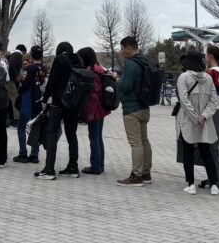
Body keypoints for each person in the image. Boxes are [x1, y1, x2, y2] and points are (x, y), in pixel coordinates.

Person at [175, 50, 219, 196]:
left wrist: (195, 118)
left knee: (188, 152)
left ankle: (191, 184)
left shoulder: (183, 77)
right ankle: (214, 185)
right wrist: (204, 116)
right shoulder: (208, 78)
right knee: (206, 152)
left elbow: (184, 100)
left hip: (187, 120)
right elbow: (214, 100)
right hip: (204, 121)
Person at [35, 42, 83, 180]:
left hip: (59, 103)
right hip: (73, 103)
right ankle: (73, 167)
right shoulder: (78, 60)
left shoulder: (59, 60)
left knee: (51, 133)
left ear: (59, 51)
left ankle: (49, 169)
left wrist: (45, 99)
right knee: (71, 134)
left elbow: (52, 81)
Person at [117, 36, 152, 187]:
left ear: (129, 47)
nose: (122, 51)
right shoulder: (145, 62)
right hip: (144, 107)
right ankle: (146, 173)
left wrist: (117, 79)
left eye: (123, 48)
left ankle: (136, 176)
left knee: (135, 143)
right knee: (144, 140)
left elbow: (125, 86)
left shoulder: (131, 64)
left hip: (132, 108)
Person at [199, 44, 219, 190]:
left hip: (211, 113)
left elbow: (209, 95)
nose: (205, 57)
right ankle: (214, 177)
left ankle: (216, 179)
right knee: (212, 148)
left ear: (210, 56)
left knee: (212, 148)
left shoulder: (212, 72)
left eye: (206, 54)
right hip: (215, 112)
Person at [78, 47, 111, 175]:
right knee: (98, 137)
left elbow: (93, 95)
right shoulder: (100, 68)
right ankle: (100, 165)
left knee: (93, 137)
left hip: (95, 110)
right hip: (102, 108)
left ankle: (95, 166)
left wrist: (90, 113)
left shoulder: (91, 72)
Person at [14, 45, 45, 164]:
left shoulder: (29, 69)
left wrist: (20, 89)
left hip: (28, 99)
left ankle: (23, 154)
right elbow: (41, 82)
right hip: (38, 99)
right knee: (35, 126)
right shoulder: (43, 68)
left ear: (31, 55)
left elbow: (24, 84)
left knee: (21, 126)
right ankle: (34, 154)